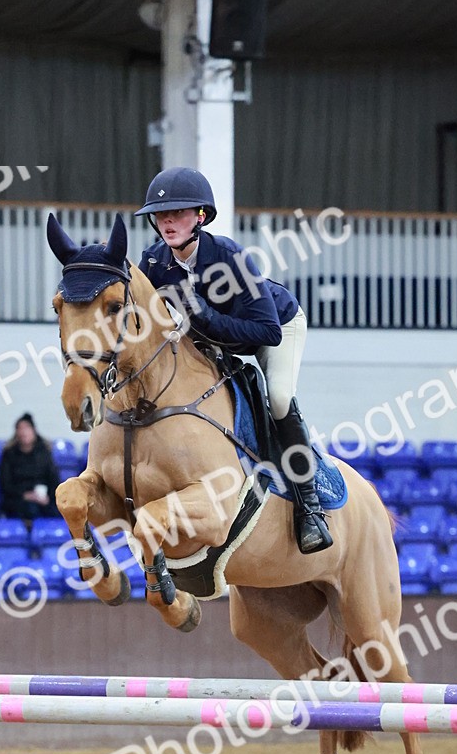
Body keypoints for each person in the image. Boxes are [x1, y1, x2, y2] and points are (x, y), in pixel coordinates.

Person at [135, 167, 332, 555]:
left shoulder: (228, 256)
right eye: (161, 215)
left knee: (276, 396)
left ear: (201, 217)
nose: (167, 222)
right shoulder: (154, 262)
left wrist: (202, 316)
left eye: (177, 213)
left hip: (274, 326)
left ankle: (309, 507)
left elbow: (267, 332)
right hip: (214, 340)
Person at [0, 412, 61, 522]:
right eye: (20, 429)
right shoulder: (9, 454)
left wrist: (48, 498)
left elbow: (53, 480)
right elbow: (5, 485)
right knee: (30, 509)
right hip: (18, 499)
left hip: (43, 498)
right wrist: (26, 495)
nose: (23, 432)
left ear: (34, 430)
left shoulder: (44, 452)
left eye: (27, 428)